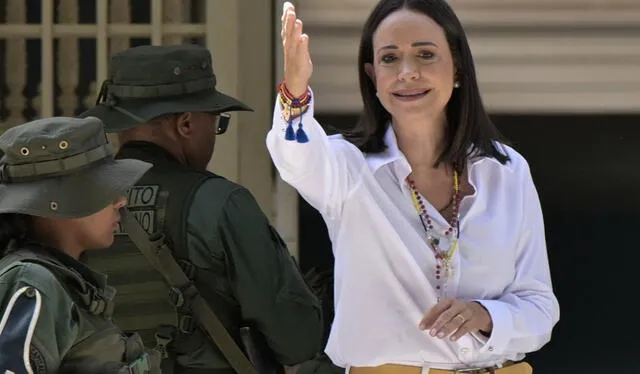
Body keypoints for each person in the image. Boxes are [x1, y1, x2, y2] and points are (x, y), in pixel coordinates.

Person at [267, 1, 560, 373]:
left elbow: (540, 308)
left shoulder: (506, 171)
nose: (407, 72)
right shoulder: (346, 167)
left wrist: (485, 314)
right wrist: (295, 92)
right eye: (390, 59)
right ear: (373, 77)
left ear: (457, 69)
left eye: (425, 54)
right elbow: (294, 155)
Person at [79, 44, 331, 374]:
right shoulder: (219, 203)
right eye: (216, 124)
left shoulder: (76, 206)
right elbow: (298, 340)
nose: (214, 135)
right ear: (186, 124)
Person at [0, 116, 159, 373]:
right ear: (58, 202)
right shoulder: (33, 283)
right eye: (103, 189)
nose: (120, 201)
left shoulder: (64, 282)